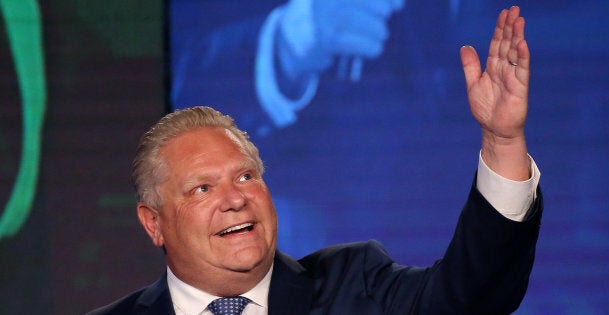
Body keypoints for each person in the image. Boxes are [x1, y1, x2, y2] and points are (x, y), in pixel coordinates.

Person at [88, 6, 542, 315]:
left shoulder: (354, 289)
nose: (235, 200)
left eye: (246, 176)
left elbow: (472, 297)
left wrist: (502, 141)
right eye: (203, 188)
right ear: (153, 223)